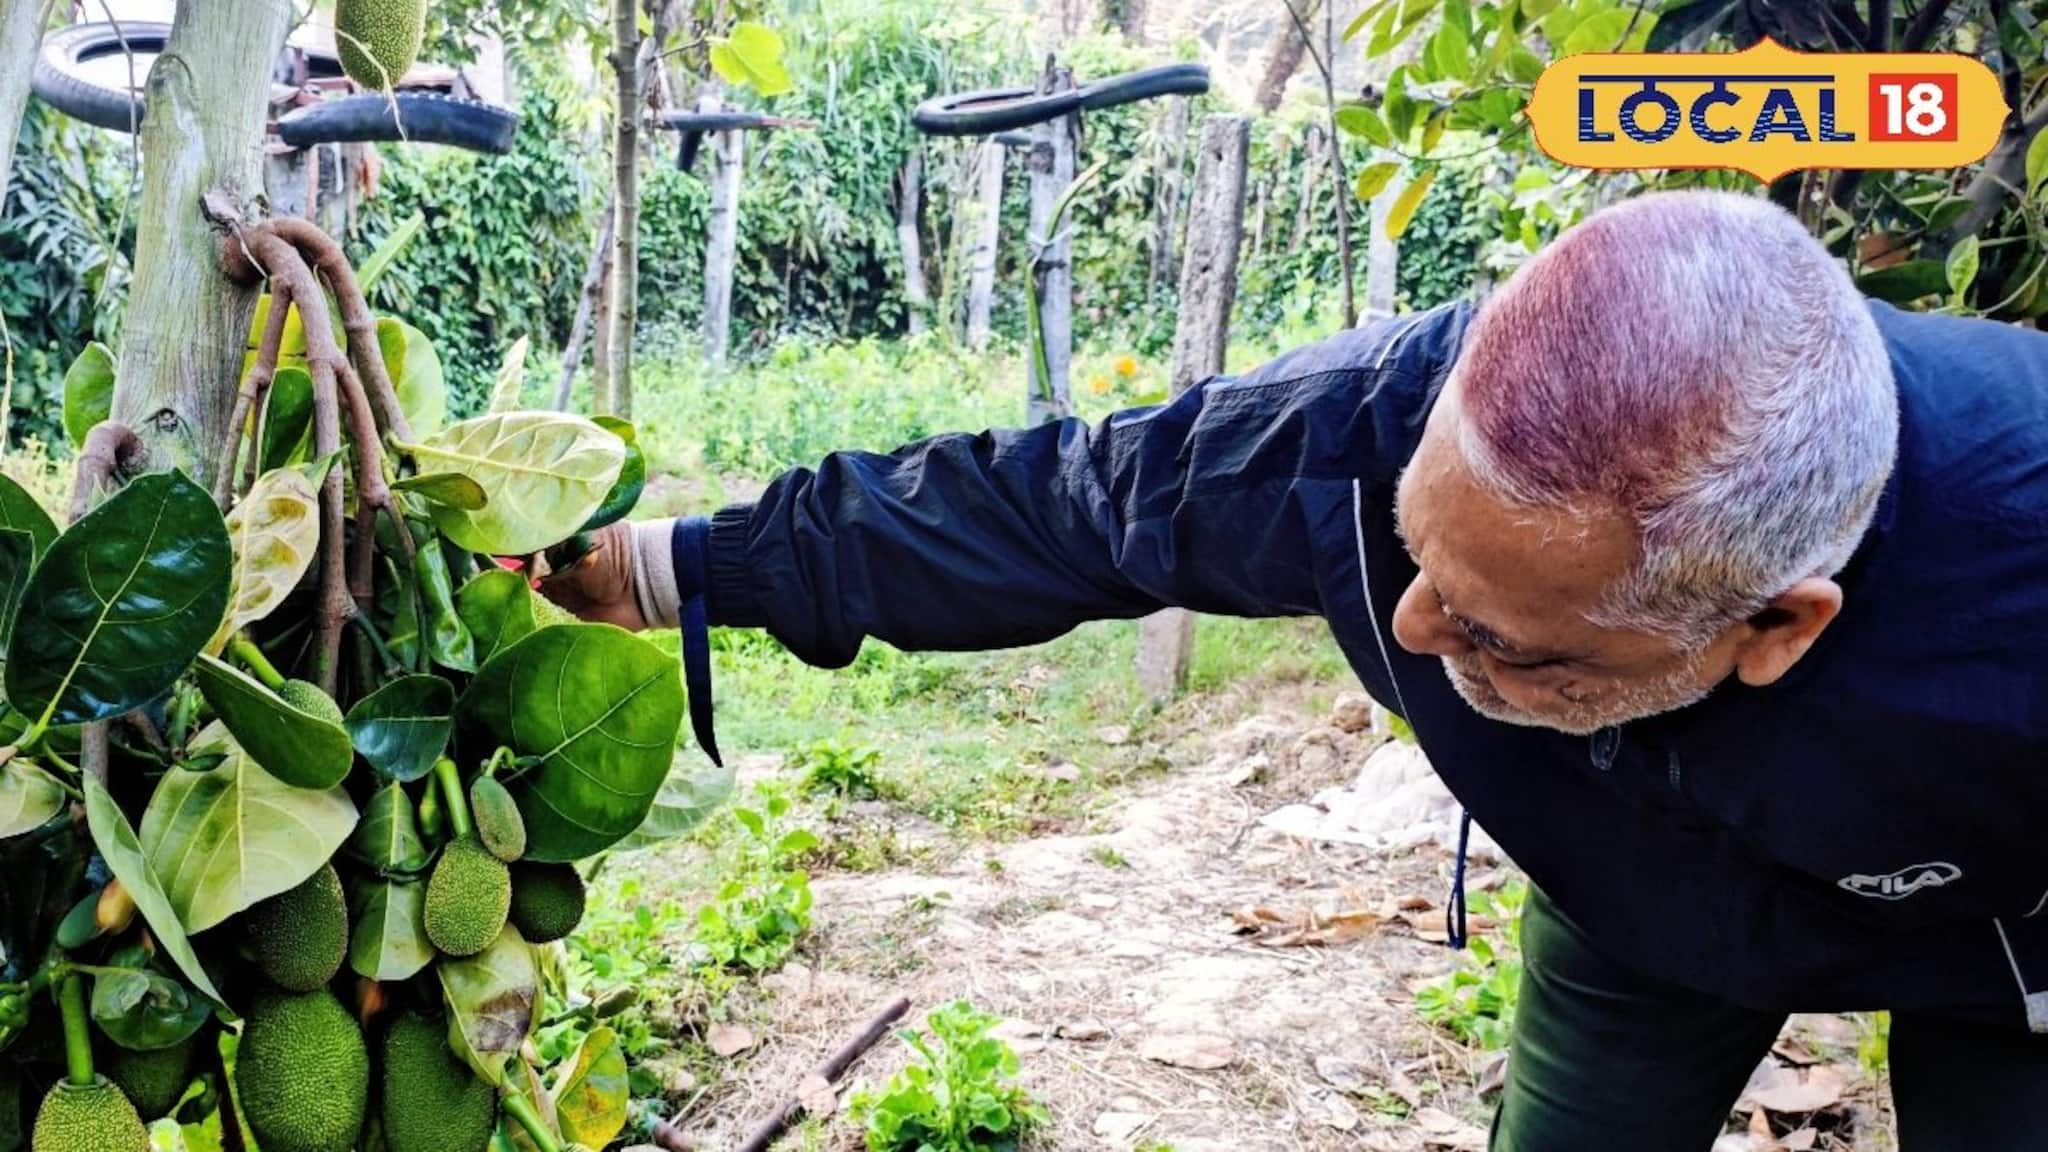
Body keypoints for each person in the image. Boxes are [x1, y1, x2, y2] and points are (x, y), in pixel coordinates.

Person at [542, 190, 2048, 1150]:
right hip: (1637, 906)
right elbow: (1045, 508)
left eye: (1499, 633)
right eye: (1420, 562)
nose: (1411, 636)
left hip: (2003, 955)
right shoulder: (1357, 430)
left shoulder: (2022, 583)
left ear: (1778, 624)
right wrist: (658, 570)